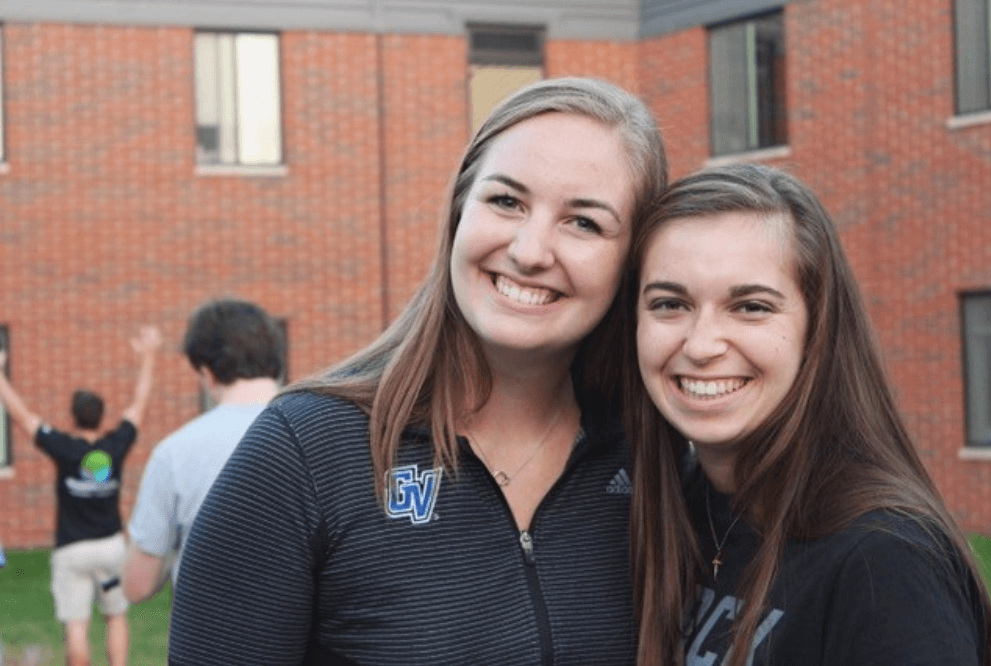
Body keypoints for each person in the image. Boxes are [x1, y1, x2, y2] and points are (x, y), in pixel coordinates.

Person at [167, 77, 668, 665]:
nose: (531, 251)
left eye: (584, 222)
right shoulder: (304, 454)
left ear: (635, 257)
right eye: (506, 201)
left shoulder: (657, 462)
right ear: (460, 211)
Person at [626, 163, 991, 665]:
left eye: (751, 307)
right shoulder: (677, 509)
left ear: (816, 330)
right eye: (670, 303)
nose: (701, 345)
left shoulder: (886, 562)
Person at [0, 326, 162, 666]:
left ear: (73, 417)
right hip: (110, 553)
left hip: (73, 554)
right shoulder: (115, 445)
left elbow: (22, 417)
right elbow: (139, 405)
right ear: (101, 416)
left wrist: (0, 376)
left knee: (77, 624)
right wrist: (148, 355)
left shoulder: (64, 448)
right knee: (115, 616)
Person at [123, 298, 285, 603]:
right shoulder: (333, 434)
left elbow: (137, 585)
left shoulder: (174, 453)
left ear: (206, 373)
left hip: (214, 640)